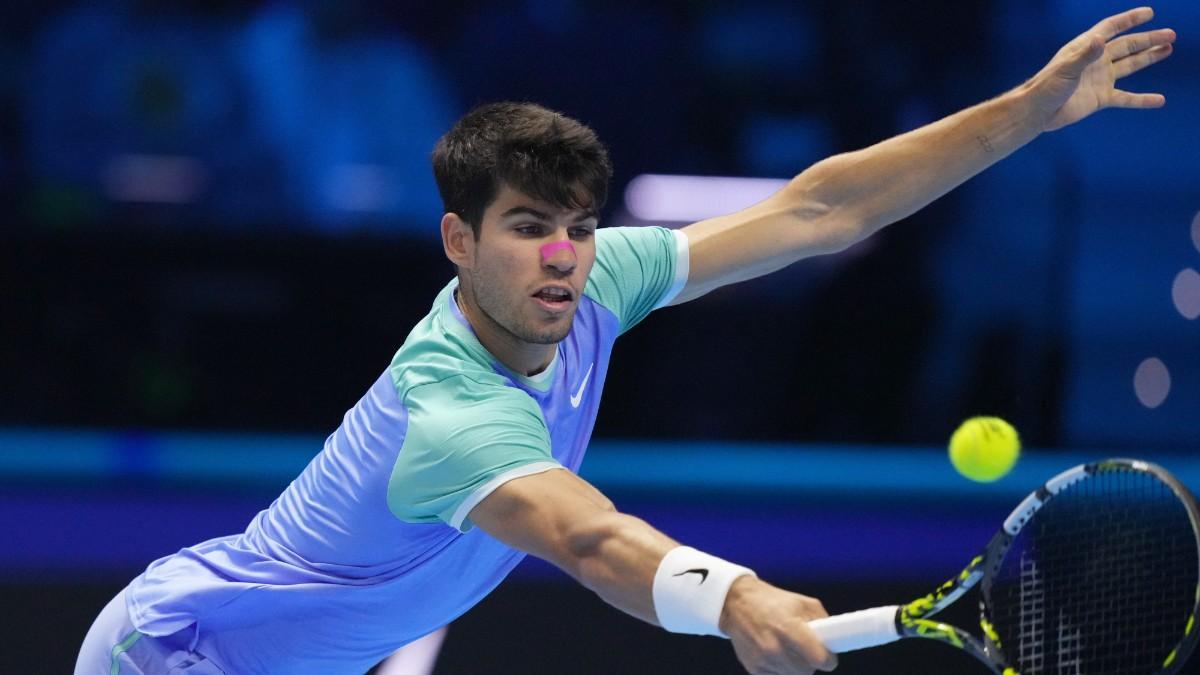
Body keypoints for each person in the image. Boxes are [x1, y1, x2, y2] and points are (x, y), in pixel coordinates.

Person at [76, 7, 1175, 674]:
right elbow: (590, 540)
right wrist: (735, 597)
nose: (560, 257)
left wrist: (1024, 112)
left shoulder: (599, 281)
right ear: (457, 240)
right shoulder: (452, 414)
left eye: (575, 227)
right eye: (524, 230)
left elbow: (819, 210)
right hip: (176, 655)